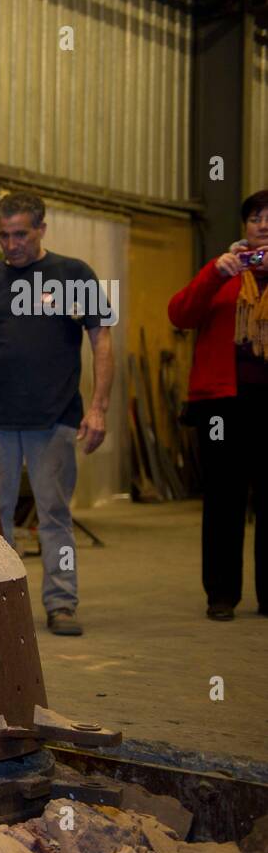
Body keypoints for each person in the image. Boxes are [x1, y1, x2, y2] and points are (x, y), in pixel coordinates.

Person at [0, 192, 114, 637]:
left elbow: (101, 340)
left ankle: (61, 603)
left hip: (54, 417)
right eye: (4, 236)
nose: (12, 244)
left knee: (54, 515)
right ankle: (0, 602)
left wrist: (98, 408)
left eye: (21, 233)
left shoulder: (73, 275)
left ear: (42, 229)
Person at [167, 190, 268, 621]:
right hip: (222, 406)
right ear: (244, 228)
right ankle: (221, 595)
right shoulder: (224, 272)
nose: (263, 224)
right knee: (223, 501)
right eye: (255, 218)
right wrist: (213, 274)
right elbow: (179, 314)